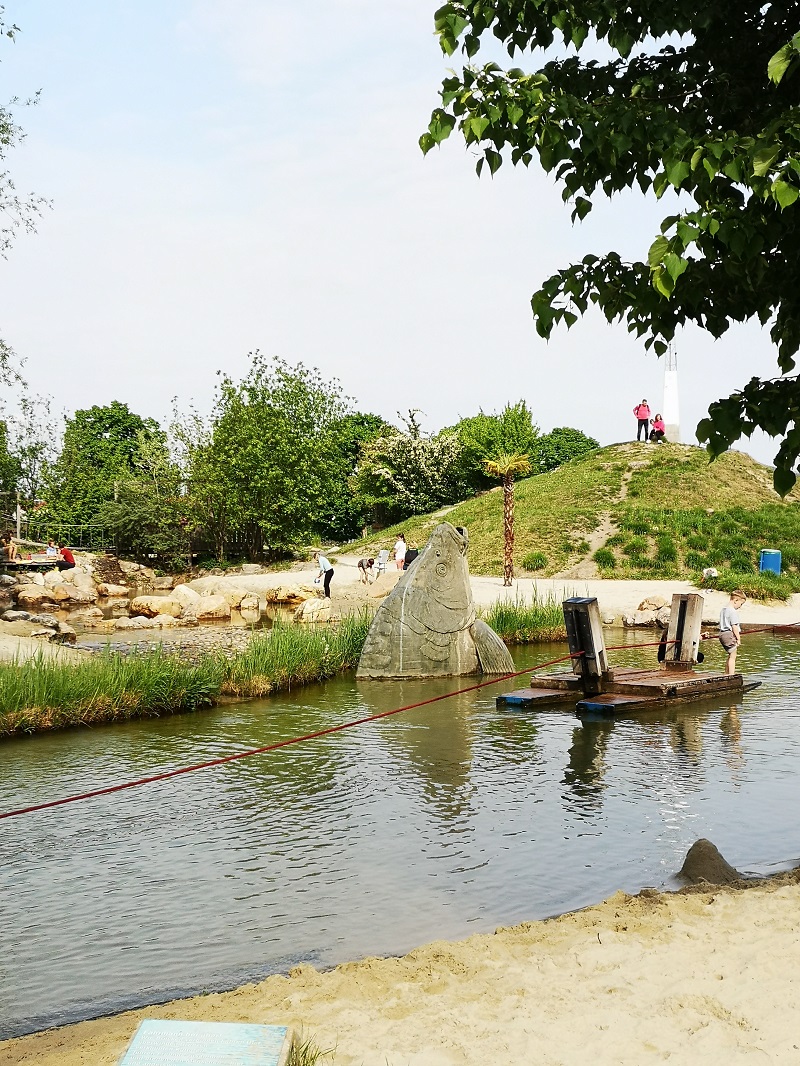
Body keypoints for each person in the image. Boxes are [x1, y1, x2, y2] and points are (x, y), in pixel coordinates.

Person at [719, 590, 746, 675]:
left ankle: (726, 673)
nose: (740, 606)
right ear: (735, 601)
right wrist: (738, 638)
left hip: (722, 634)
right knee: (733, 656)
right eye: (741, 604)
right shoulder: (732, 611)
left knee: (730, 654)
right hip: (729, 634)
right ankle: (731, 674)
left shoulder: (723, 610)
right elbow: (734, 627)